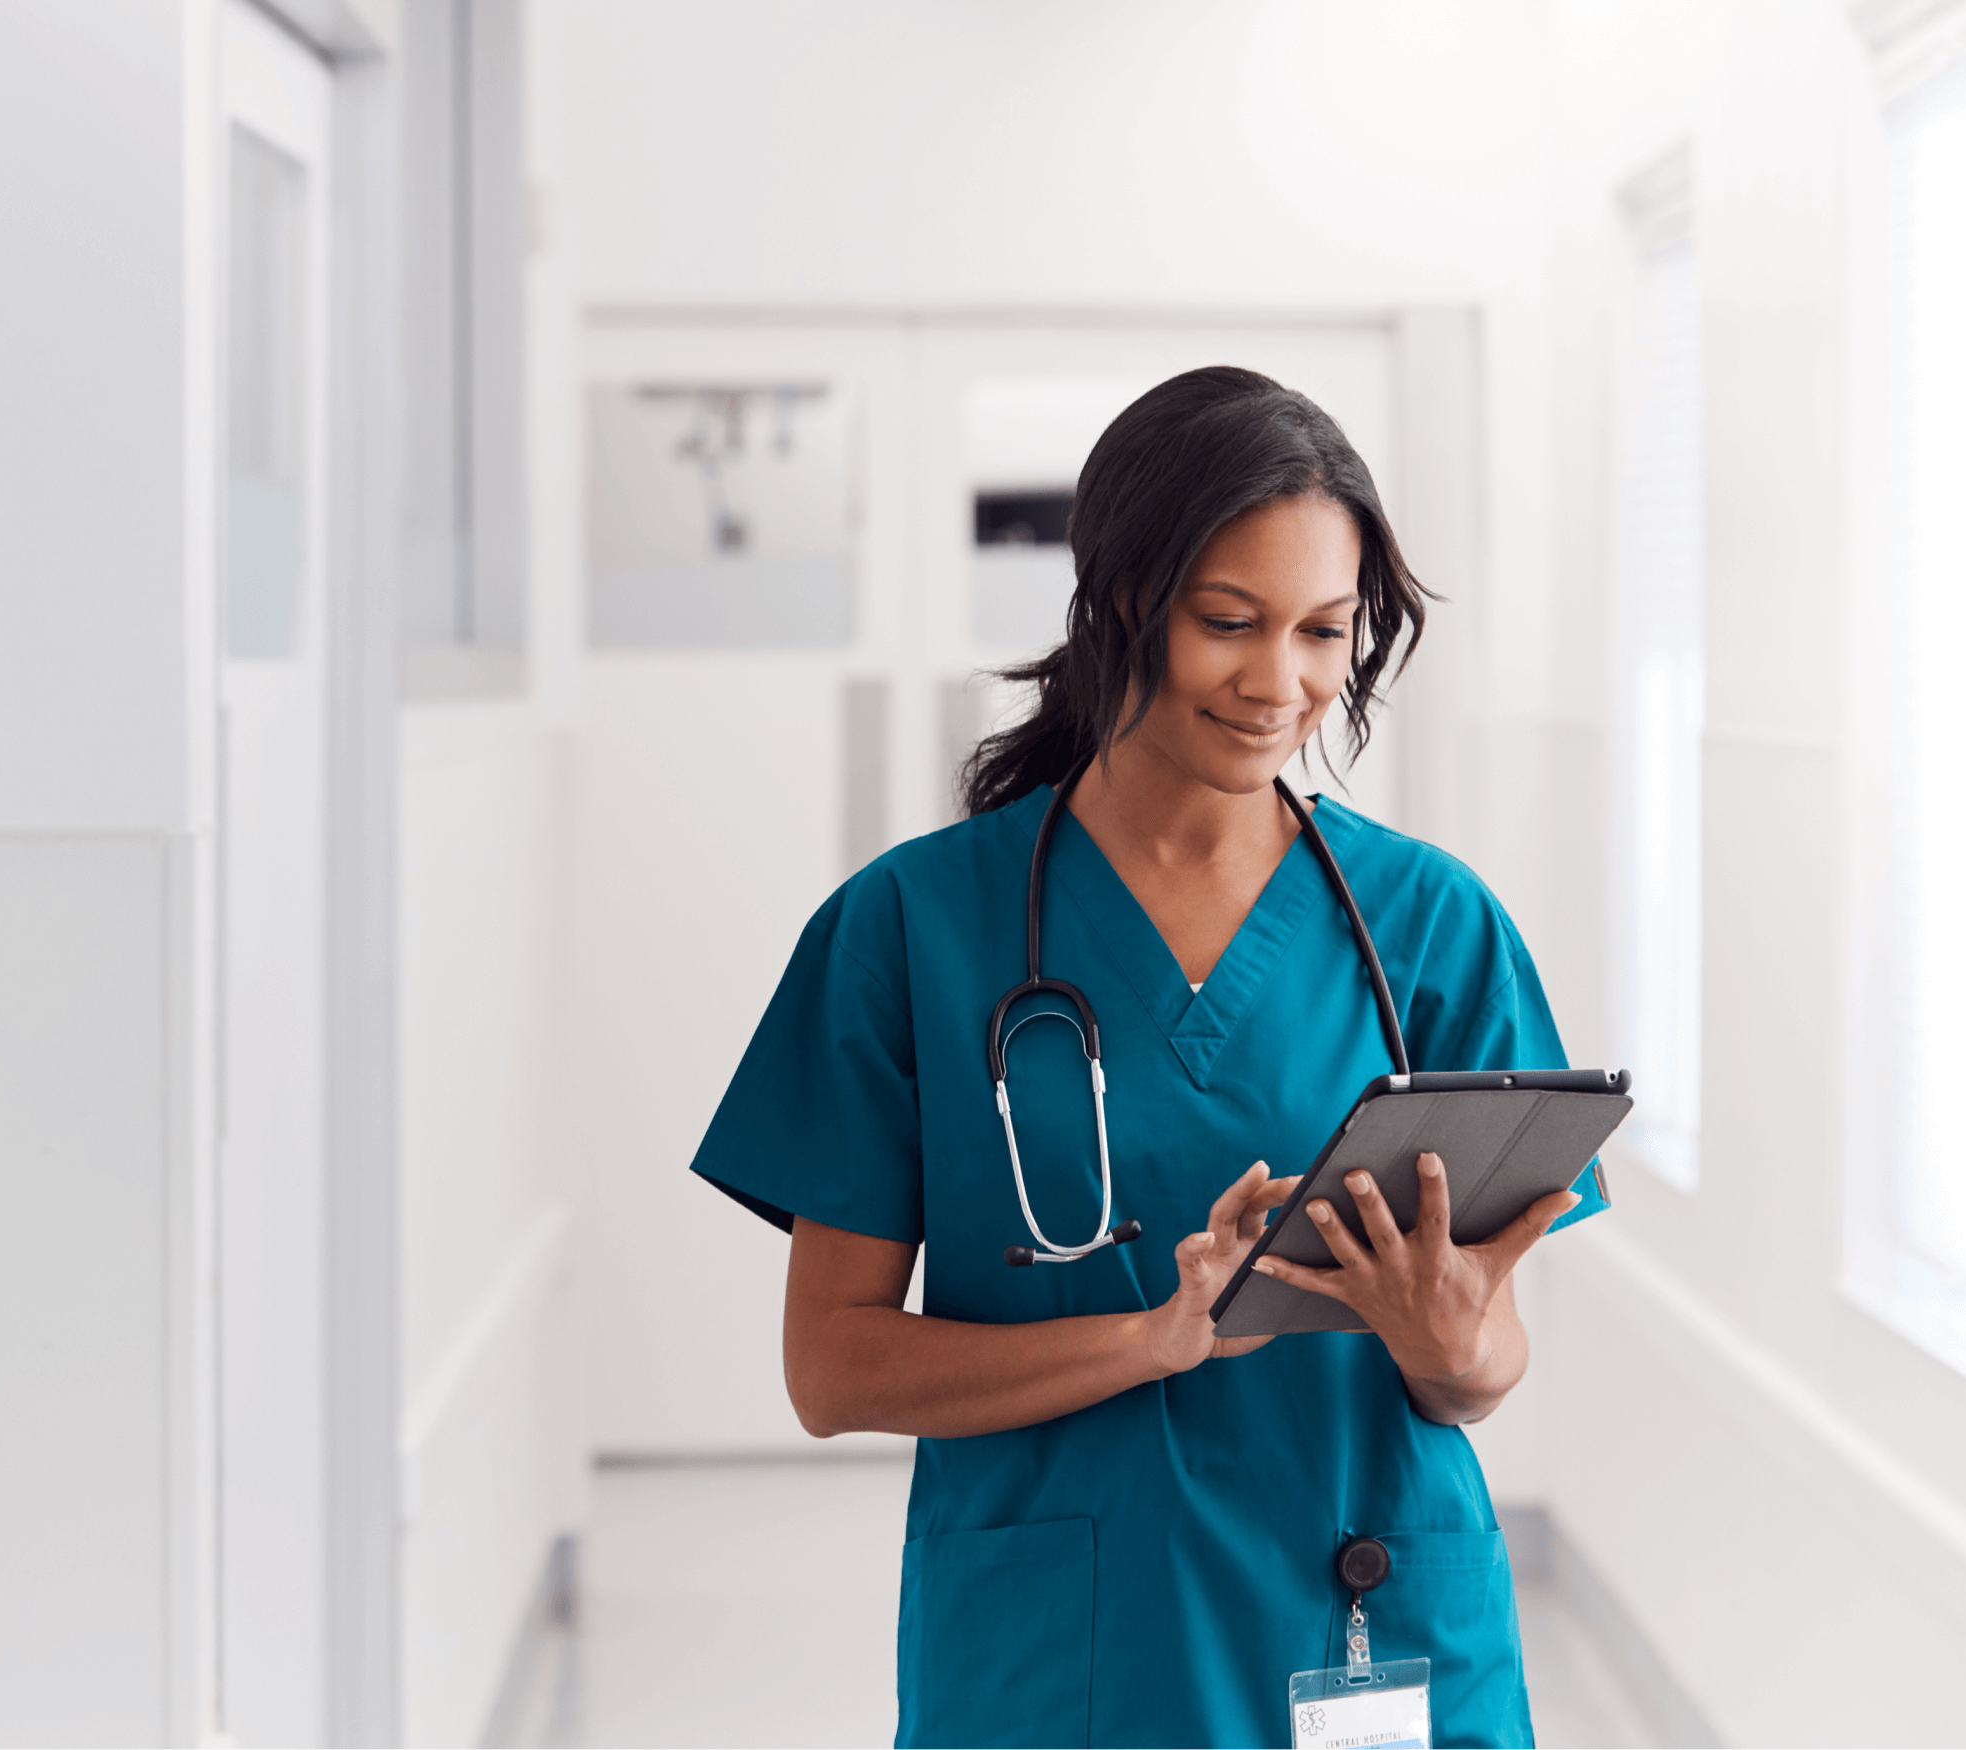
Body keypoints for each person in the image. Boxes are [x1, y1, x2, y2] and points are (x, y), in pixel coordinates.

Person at [687, 366, 1607, 1749]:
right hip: (1065, 1649)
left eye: (1324, 631)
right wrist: (1151, 1338)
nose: (1281, 682)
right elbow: (833, 1366)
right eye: (1228, 621)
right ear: (1121, 599)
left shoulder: (1432, 928)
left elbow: (1481, 1358)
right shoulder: (913, 928)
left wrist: (1454, 1343)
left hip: (1363, 1613)